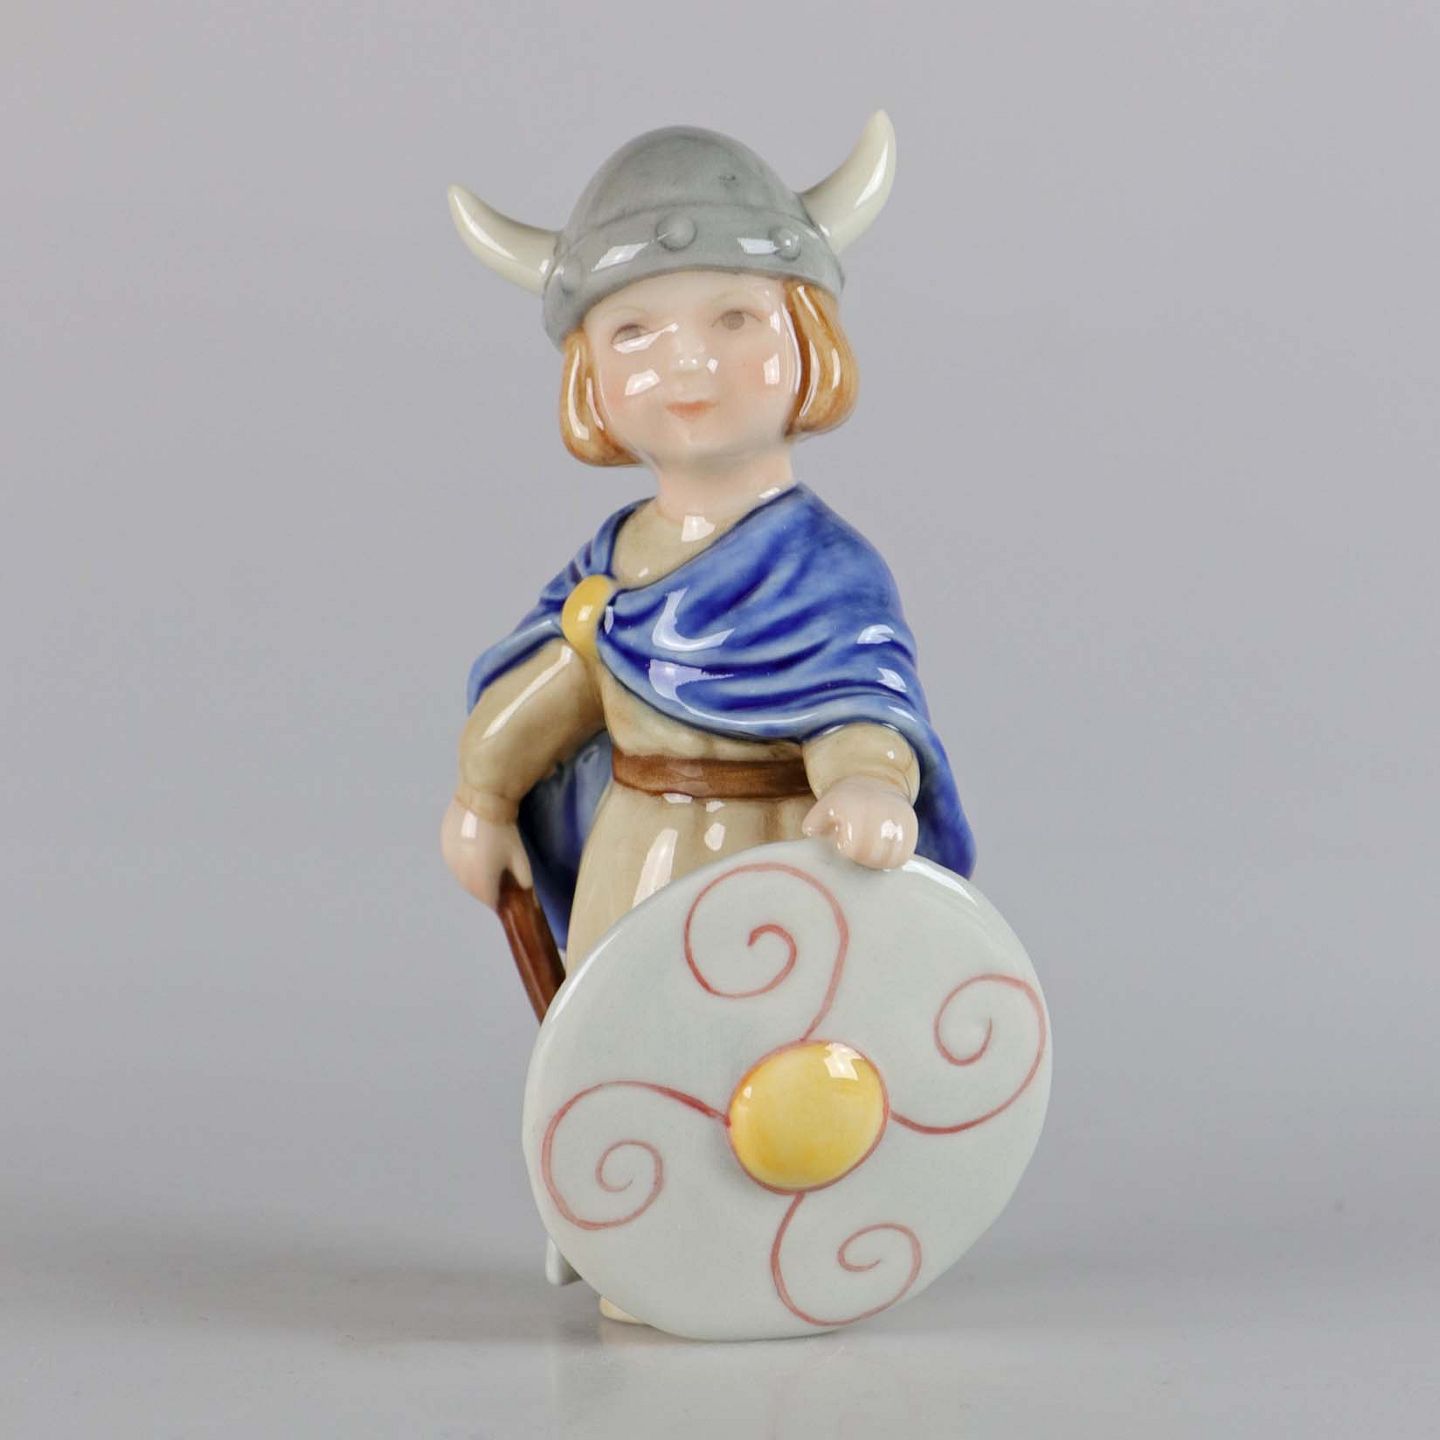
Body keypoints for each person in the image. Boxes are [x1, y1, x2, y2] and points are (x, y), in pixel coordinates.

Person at [440, 114, 975, 974]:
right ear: (588, 377)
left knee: (787, 1050)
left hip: (783, 875)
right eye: (634, 333)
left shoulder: (822, 569)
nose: (688, 360)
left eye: (734, 318)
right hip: (634, 879)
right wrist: (484, 795)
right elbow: (560, 685)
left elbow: (859, 708)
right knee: (626, 1045)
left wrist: (868, 785)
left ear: (809, 337)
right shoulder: (612, 567)